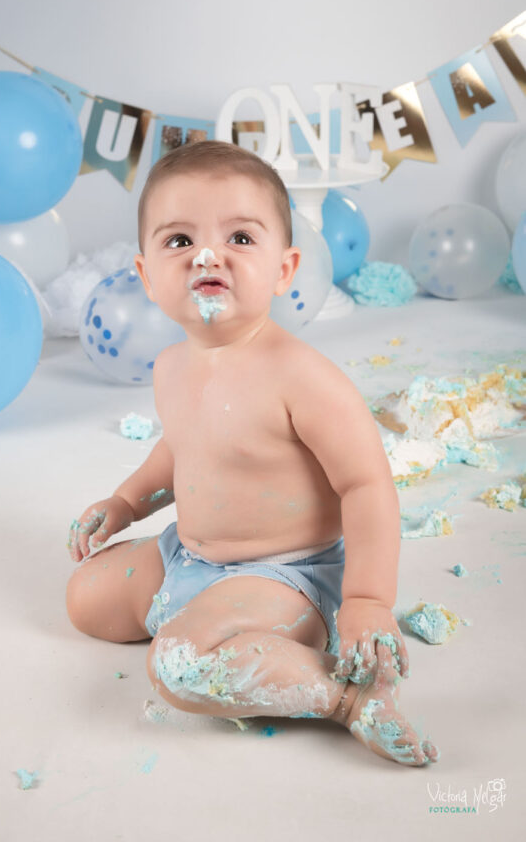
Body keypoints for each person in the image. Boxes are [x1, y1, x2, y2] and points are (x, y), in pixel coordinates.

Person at [66, 139, 439, 766]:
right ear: (148, 276)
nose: (207, 255)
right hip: (191, 554)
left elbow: (366, 485)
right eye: (180, 240)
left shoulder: (302, 377)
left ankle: (345, 697)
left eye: (239, 237)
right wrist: (127, 502)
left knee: (179, 666)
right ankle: (215, 621)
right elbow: (180, 449)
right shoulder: (172, 366)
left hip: (287, 573)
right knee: (84, 599)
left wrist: (367, 600)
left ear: (284, 269)